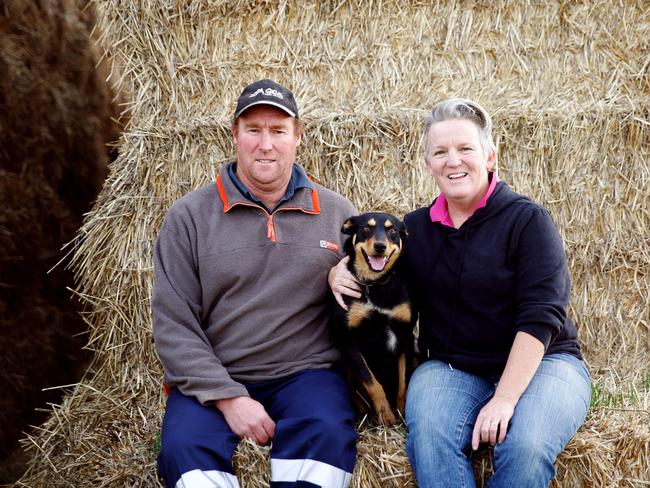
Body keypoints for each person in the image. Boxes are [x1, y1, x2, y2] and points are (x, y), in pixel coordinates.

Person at [329, 98, 591, 487]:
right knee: (431, 442)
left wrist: (504, 399)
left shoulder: (527, 220)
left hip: (545, 365)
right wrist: (340, 270)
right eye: (441, 152)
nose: (453, 161)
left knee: (524, 448)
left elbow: (541, 316)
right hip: (453, 368)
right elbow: (379, 268)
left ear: (489, 157)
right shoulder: (414, 231)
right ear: (428, 164)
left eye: (465, 149)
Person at [152, 79, 358, 488]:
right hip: (215, 378)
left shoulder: (337, 212)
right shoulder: (188, 217)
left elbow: (376, 298)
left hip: (307, 374)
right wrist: (230, 399)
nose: (266, 144)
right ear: (235, 134)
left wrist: (347, 276)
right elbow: (174, 327)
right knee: (184, 453)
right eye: (254, 130)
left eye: (278, 131)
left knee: (329, 436)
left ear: (298, 136)